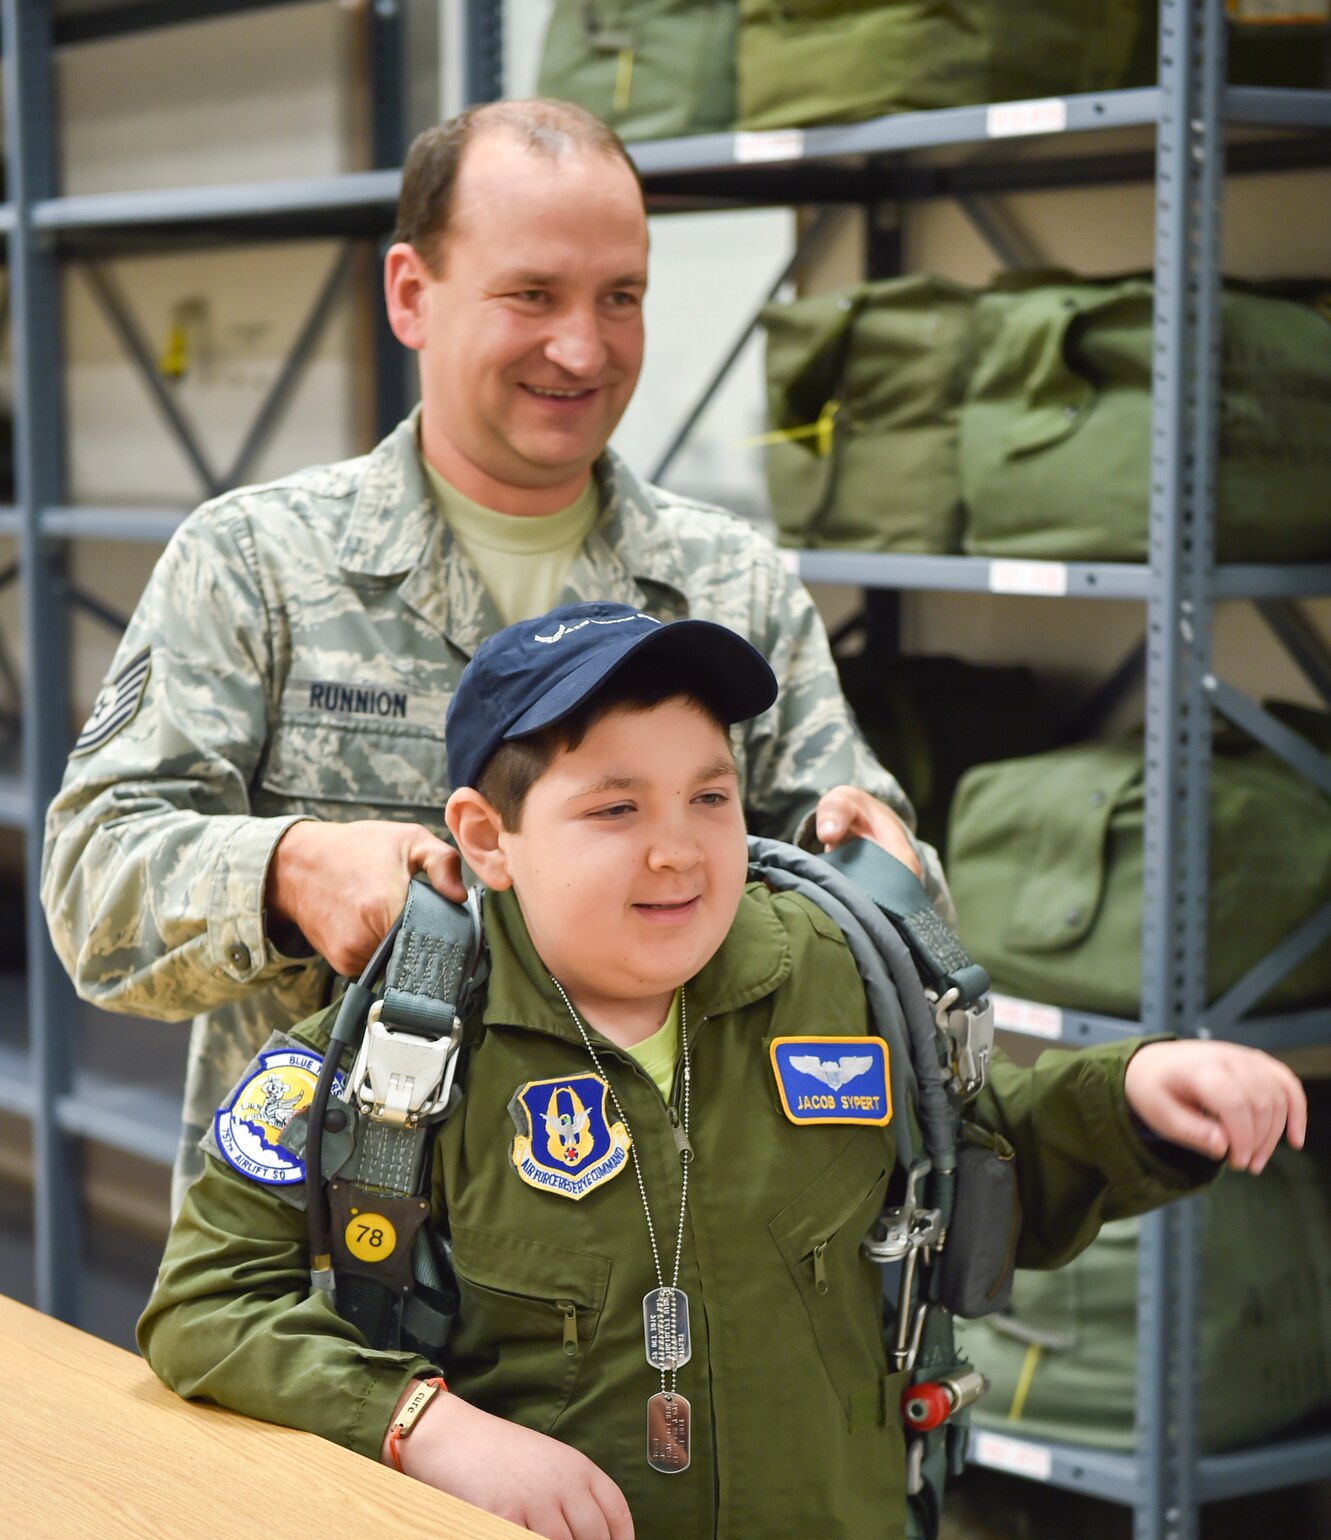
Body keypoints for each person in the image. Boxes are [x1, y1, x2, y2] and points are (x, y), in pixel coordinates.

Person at [137, 603, 1307, 1540]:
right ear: (487, 838)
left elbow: (977, 1164)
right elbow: (206, 1298)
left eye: (709, 798)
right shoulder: (401, 1052)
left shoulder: (835, 974)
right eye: (615, 809)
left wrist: (1135, 1095)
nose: (679, 852)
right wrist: (424, 1424)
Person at [41, 96, 943, 1209]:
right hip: (323, 1275)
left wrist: (863, 872)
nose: (583, 347)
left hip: (646, 1275)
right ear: (411, 294)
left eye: (620, 297)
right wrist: (284, 869)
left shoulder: (725, 586)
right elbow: (92, 887)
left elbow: (889, 897)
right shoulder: (256, 562)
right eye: (531, 295)